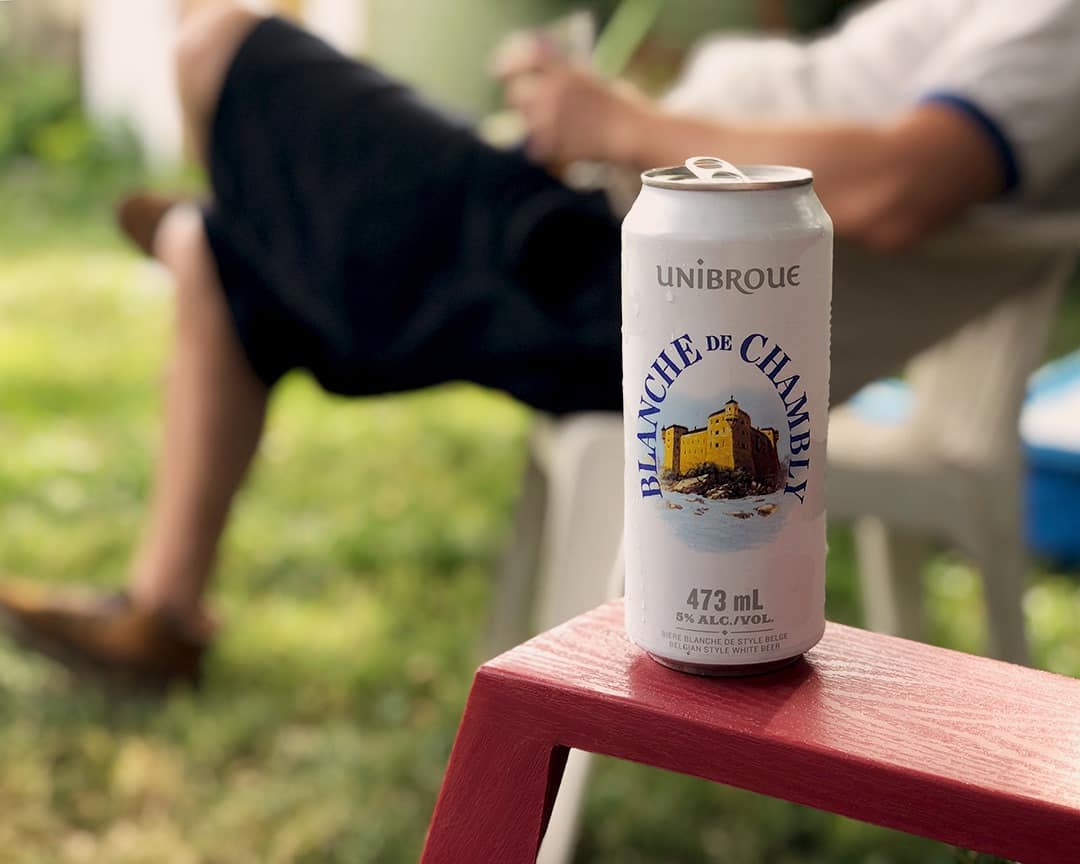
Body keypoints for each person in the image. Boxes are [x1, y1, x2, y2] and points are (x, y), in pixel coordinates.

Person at [2, 0, 1078, 686]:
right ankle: (163, 610)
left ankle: (282, 247)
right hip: (603, 232)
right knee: (221, 253)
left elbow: (900, 186)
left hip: (623, 284)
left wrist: (621, 126)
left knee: (221, 45)